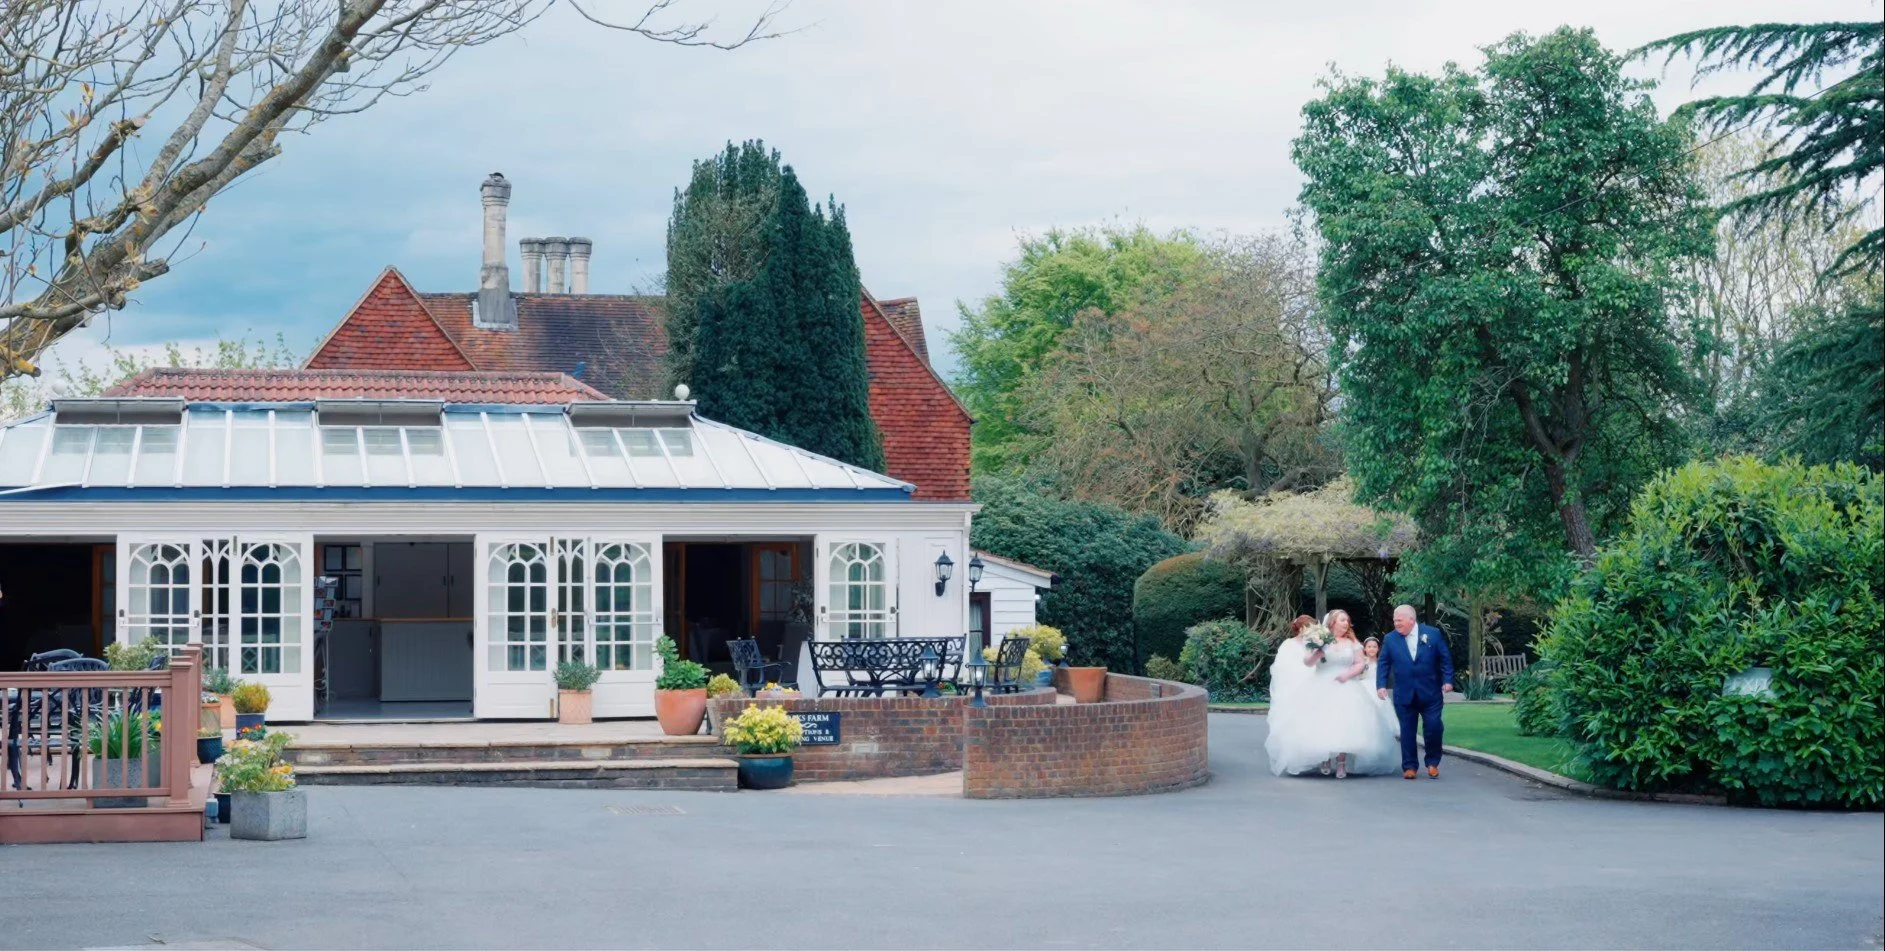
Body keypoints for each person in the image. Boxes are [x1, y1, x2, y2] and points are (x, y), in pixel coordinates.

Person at [1265, 611, 1398, 778]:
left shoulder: (1352, 643)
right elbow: (1307, 662)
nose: (1345, 623)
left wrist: (1347, 675)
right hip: (1321, 684)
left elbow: (1359, 663)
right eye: (1342, 620)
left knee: (1344, 724)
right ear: (1333, 622)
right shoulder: (1319, 638)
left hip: (1345, 685)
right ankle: (1325, 759)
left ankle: (1341, 762)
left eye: (1347, 621)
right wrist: (1317, 653)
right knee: (1321, 723)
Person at [1376, 604, 1455, 780]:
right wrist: (1380, 685)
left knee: (1434, 726)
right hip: (1404, 693)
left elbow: (1445, 659)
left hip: (1430, 692)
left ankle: (1433, 762)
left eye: (1399, 620)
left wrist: (1448, 680)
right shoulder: (1390, 639)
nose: (1396, 623)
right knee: (1407, 731)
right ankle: (1410, 766)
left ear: (1411, 619)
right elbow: (1383, 663)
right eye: (1394, 620)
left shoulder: (1432, 634)